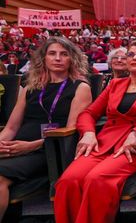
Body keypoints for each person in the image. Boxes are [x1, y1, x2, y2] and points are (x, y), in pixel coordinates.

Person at [54, 40, 136, 223]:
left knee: (97, 179)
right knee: (68, 180)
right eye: (130, 54)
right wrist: (88, 133)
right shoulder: (114, 85)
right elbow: (89, 113)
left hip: (135, 147)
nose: (134, 57)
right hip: (102, 143)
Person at [0, 37, 92, 221]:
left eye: (64, 54)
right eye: (52, 53)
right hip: (16, 148)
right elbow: (11, 127)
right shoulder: (30, 87)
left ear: (72, 59)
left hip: (49, 152)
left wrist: (31, 146)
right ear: (44, 58)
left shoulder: (80, 88)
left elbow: (71, 132)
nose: (57, 58)